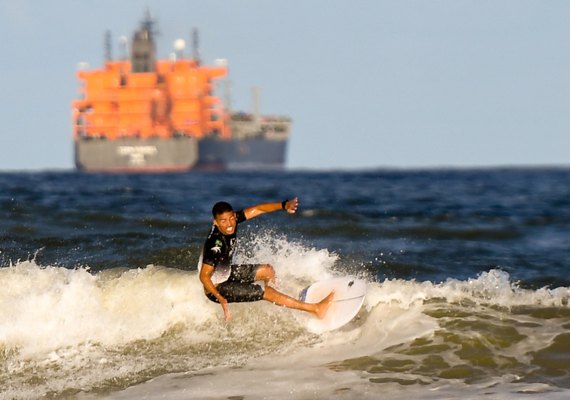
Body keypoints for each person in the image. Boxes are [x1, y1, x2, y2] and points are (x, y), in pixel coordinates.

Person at [198, 197, 334, 321]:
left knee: (267, 271)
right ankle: (315, 309)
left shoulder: (232, 220)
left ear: (234, 215)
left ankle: (278, 302)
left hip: (225, 274)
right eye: (223, 221)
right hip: (216, 288)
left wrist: (284, 205)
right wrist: (221, 298)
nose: (229, 224)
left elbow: (258, 209)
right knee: (265, 292)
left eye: (231, 218)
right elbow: (204, 276)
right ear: (215, 222)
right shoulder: (215, 246)